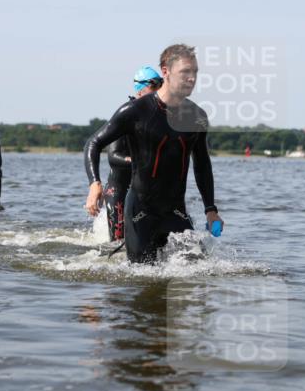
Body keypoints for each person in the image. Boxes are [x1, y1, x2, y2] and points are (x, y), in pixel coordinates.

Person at [84, 44, 222, 264]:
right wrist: (95, 184)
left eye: (195, 72)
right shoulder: (136, 111)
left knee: (199, 269)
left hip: (176, 212)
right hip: (141, 213)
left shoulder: (197, 116)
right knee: (142, 278)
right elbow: (94, 143)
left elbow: (203, 164)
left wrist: (210, 209)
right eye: (185, 72)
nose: (192, 78)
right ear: (165, 71)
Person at [103, 67, 164, 241]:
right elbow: (113, 156)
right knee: (118, 241)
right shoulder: (127, 114)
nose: (159, 90)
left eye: (161, 85)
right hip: (119, 190)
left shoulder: (159, 116)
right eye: (155, 85)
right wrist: (138, 161)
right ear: (140, 89)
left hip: (145, 191)